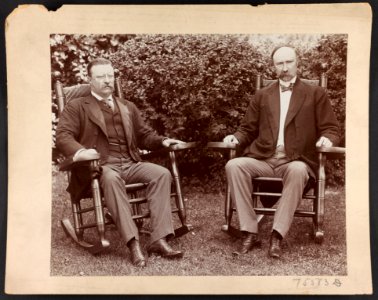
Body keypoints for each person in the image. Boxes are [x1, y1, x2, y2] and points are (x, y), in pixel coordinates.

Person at [56, 58, 184, 267]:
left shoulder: (127, 106)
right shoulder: (77, 106)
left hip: (130, 163)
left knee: (161, 174)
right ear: (90, 80)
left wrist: (162, 140)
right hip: (100, 167)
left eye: (110, 76)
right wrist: (81, 152)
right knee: (111, 178)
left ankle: (159, 239)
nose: (107, 81)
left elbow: (144, 135)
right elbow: (63, 136)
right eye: (101, 77)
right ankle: (133, 243)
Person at [223, 46, 340, 258]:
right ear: (273, 66)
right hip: (264, 158)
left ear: (297, 63)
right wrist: (236, 138)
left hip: (296, 160)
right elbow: (247, 128)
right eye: (279, 63)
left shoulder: (315, 93)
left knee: (297, 170)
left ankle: (277, 235)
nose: (285, 68)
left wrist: (328, 139)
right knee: (234, 165)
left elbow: (331, 128)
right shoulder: (262, 95)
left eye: (289, 62)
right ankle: (249, 231)